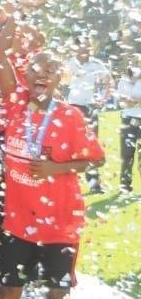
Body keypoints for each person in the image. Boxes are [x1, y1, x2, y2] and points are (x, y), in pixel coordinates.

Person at [0, 17, 105, 299]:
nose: (41, 76)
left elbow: (94, 159)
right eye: (35, 70)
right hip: (18, 223)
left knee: (57, 296)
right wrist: (12, 20)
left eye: (49, 72)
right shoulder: (15, 103)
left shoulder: (70, 116)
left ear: (59, 79)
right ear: (25, 76)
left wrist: (57, 168)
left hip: (59, 224)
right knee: (8, 294)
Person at [63, 35, 112, 193]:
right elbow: (61, 82)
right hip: (73, 107)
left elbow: (108, 82)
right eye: (81, 45)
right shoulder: (70, 64)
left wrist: (102, 99)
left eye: (87, 45)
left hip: (90, 107)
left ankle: (94, 184)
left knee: (91, 144)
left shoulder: (97, 64)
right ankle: (68, 182)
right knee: (70, 144)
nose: (85, 48)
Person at [118, 59, 141, 193]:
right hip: (128, 118)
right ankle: (125, 185)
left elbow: (130, 100)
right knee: (127, 153)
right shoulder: (123, 81)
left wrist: (133, 100)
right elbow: (123, 99)